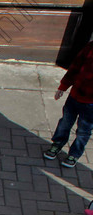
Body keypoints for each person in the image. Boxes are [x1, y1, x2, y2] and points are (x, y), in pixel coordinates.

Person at [44, 39, 93, 168]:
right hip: (74, 96)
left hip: (91, 104)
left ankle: (74, 154)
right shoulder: (89, 48)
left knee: (83, 131)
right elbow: (75, 68)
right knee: (65, 122)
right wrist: (63, 86)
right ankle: (58, 143)